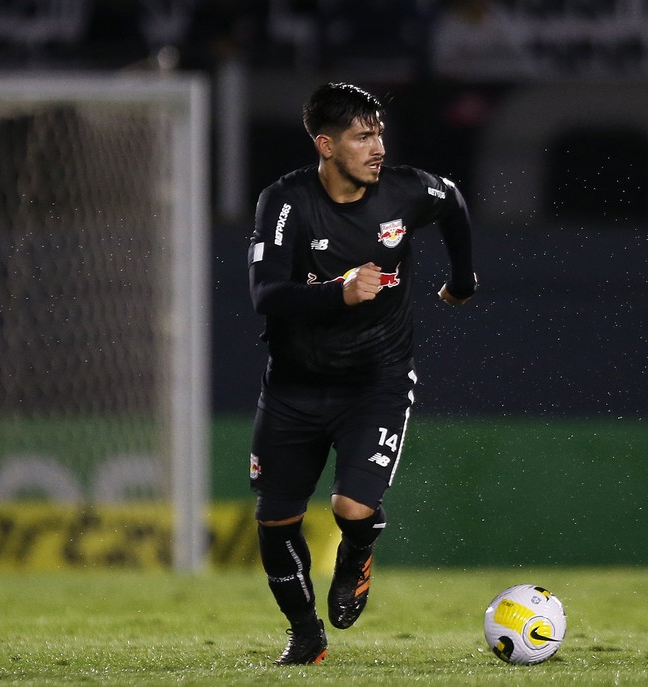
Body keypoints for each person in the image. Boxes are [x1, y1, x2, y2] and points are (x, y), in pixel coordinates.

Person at [247, 82, 477, 665]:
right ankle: (306, 638)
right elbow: (266, 293)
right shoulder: (287, 202)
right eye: (361, 136)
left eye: (378, 132)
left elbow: (451, 201)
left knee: (351, 508)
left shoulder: (405, 191)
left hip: (377, 381)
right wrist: (338, 292)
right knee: (276, 522)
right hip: (294, 388)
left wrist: (464, 279)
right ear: (325, 145)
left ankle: (355, 554)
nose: (377, 146)